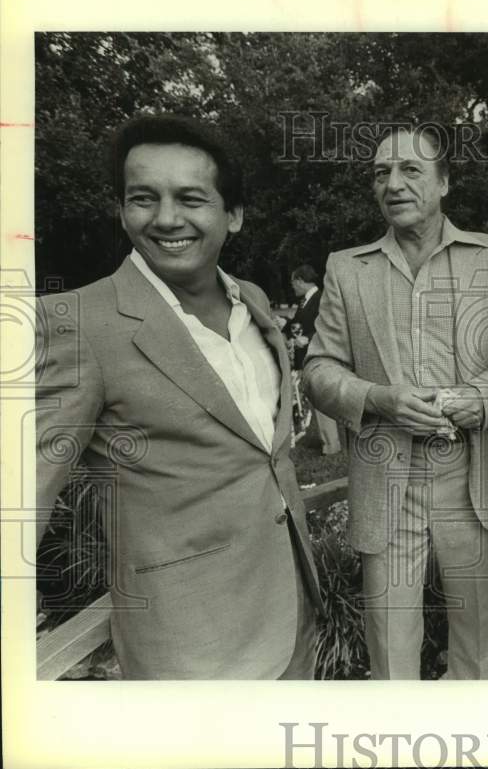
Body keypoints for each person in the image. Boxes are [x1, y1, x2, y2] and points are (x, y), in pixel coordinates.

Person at [34, 114, 322, 679]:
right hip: (189, 649)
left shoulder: (255, 302)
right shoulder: (75, 323)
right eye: (143, 198)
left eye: (190, 198)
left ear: (232, 215)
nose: (166, 218)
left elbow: (263, 456)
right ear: (122, 209)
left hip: (294, 614)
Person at [303, 125, 488, 680]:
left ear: (444, 181)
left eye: (410, 170)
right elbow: (318, 369)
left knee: (477, 645)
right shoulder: (346, 267)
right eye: (382, 173)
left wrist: (482, 398)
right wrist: (378, 398)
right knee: (389, 643)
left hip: (470, 473)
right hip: (387, 478)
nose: (394, 184)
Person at [285, 264, 341, 455]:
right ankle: (326, 442)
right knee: (314, 400)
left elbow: (329, 326)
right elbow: (300, 325)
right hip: (306, 356)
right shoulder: (306, 301)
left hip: (319, 355)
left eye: (293, 282)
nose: (292, 287)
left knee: (321, 397)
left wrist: (308, 338)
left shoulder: (321, 299)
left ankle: (331, 445)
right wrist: (286, 324)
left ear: (300, 280)